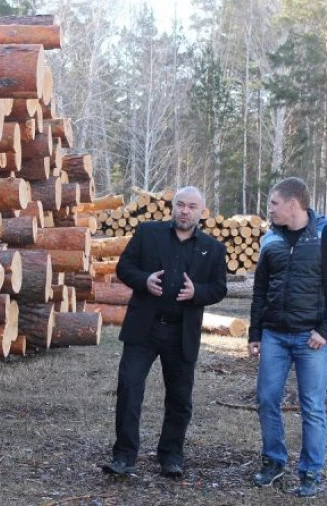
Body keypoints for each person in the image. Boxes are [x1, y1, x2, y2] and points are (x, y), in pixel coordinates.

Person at [102, 186, 228, 479]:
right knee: (130, 389)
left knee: (179, 398)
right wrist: (144, 280)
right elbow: (124, 268)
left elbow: (219, 288)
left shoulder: (213, 248)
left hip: (181, 332)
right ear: (173, 207)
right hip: (144, 328)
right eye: (181, 205)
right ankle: (123, 456)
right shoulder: (148, 233)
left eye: (192, 207)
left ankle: (171, 456)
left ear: (201, 212)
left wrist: (198, 292)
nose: (185, 211)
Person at [247, 177, 327, 498]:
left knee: (312, 406)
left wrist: (326, 331)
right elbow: (260, 290)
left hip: (312, 339)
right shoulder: (270, 240)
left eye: (274, 204)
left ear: (293, 204)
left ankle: (311, 472)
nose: (270, 210)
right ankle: (274, 461)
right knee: (267, 399)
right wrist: (255, 333)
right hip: (274, 336)